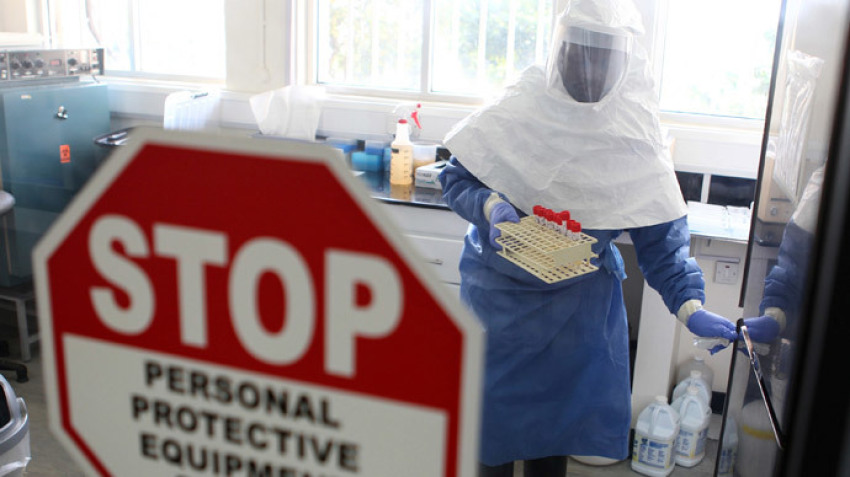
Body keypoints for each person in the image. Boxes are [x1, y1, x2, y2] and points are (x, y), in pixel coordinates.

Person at [437, 0, 740, 475]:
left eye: (602, 56)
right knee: (485, 434)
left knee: (553, 435)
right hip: (498, 308)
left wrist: (690, 305)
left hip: (574, 319)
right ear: (559, 46)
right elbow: (457, 178)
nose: (587, 68)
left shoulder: (632, 132)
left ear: (624, 59)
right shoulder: (521, 105)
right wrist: (490, 206)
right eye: (578, 51)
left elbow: (661, 240)